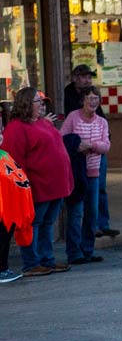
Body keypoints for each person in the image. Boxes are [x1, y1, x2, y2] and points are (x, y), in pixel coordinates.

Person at [0, 87, 74, 276]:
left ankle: (46, 260)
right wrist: (22, 188)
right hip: (37, 186)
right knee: (32, 224)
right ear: (26, 104)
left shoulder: (43, 123)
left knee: (47, 223)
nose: (42, 104)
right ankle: (31, 263)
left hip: (54, 185)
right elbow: (14, 162)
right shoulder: (16, 128)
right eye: (38, 101)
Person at [64, 64, 118, 238]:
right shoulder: (67, 95)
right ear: (74, 78)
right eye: (83, 76)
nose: (87, 79)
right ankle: (81, 236)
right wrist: (78, 145)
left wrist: (97, 143)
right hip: (77, 154)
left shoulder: (94, 97)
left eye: (89, 76)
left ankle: (101, 224)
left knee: (99, 188)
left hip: (95, 153)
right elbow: (65, 130)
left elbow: (101, 122)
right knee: (78, 194)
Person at [60, 85, 110, 265]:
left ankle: (88, 250)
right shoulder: (73, 117)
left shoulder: (102, 122)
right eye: (89, 99)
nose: (93, 102)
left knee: (92, 213)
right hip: (76, 173)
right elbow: (62, 139)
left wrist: (89, 146)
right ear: (83, 100)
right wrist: (78, 146)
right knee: (76, 213)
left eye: (96, 99)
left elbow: (106, 146)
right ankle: (74, 253)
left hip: (94, 173)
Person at [0, 121, 36, 284]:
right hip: (3, 204)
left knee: (5, 234)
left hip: (8, 204)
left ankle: (3, 267)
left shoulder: (4, 155)